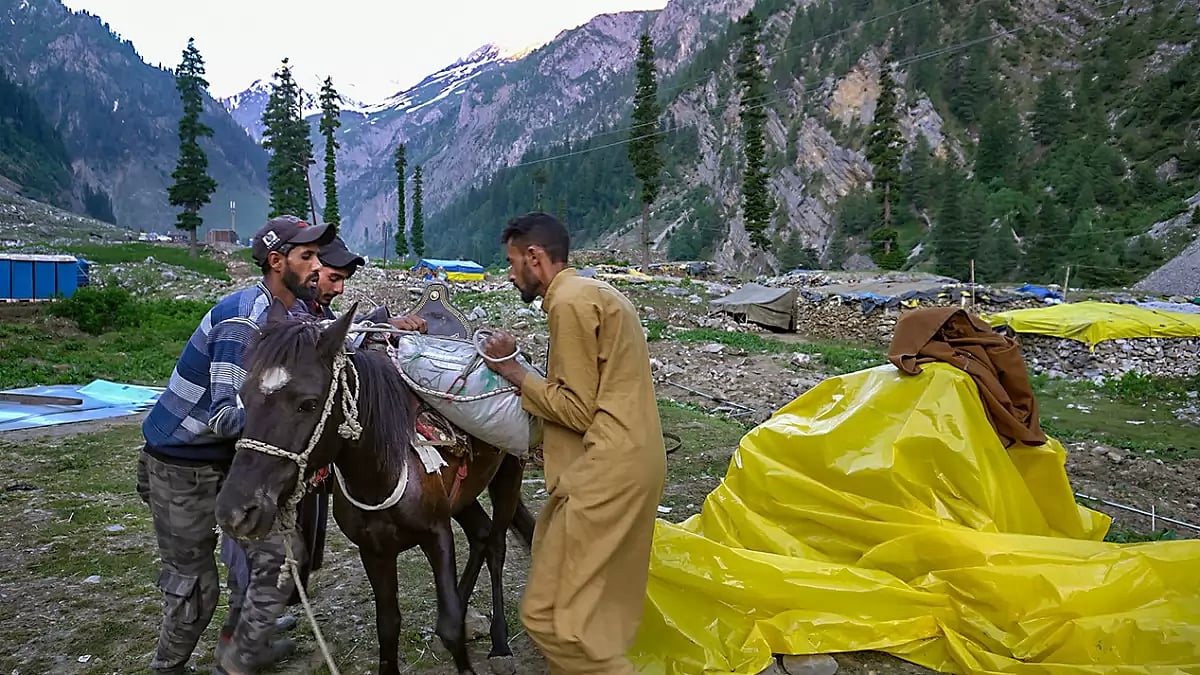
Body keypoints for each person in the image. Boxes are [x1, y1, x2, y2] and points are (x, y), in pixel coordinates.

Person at [136, 214, 335, 675]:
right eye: (307, 257)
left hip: (235, 458)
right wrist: (285, 419)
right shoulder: (243, 321)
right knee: (194, 585)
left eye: (317, 256)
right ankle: (168, 666)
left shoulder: (292, 316)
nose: (317, 267)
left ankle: (239, 655)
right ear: (275, 261)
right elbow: (225, 417)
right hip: (182, 461)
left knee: (277, 557)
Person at [480, 212, 667, 674]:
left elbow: (579, 410)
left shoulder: (571, 304)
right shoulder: (596, 293)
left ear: (535, 257)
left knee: (550, 618)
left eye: (511, 262)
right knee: (596, 617)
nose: (509, 273)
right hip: (633, 459)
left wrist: (513, 371)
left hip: (606, 466)